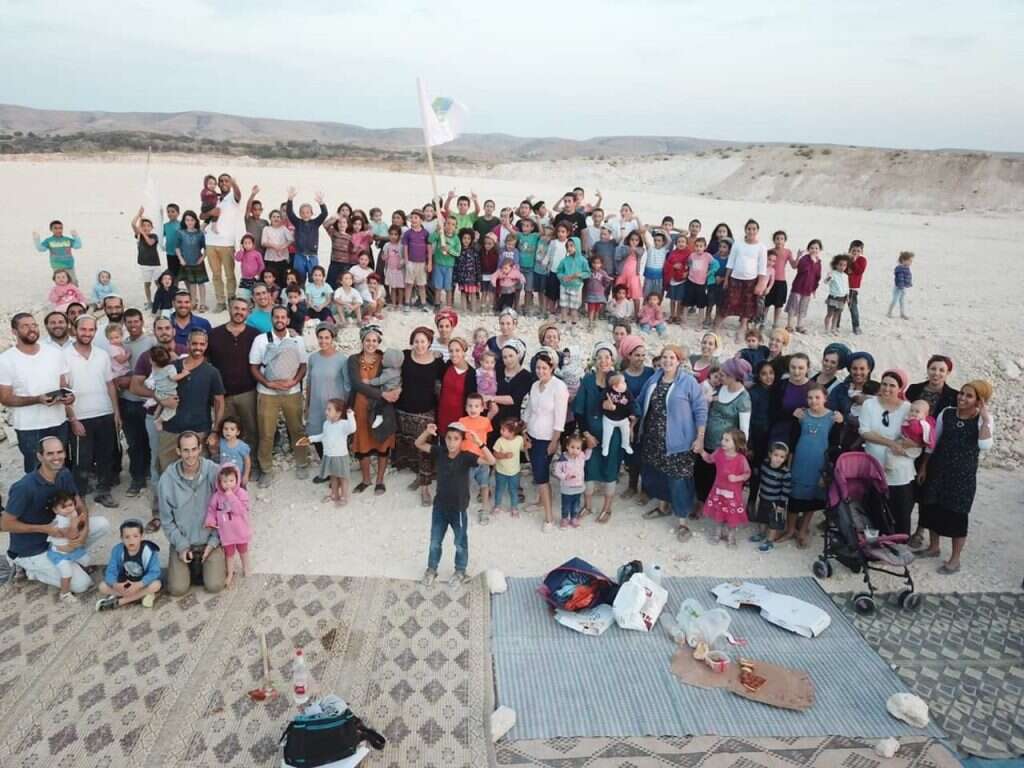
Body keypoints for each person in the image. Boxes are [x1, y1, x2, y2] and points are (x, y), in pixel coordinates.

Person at [2, 436, 111, 593]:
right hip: (32, 548)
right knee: (81, 585)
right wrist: (46, 529)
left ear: (65, 453)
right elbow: (5, 524)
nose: (56, 457)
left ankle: (67, 560)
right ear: (40, 456)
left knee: (102, 524)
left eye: (59, 452)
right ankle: (28, 569)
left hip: (60, 537)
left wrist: (84, 530)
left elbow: (79, 503)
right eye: (50, 453)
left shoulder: (64, 474)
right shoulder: (24, 487)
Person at [916, 380, 995, 574]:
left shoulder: (983, 420)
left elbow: (985, 446)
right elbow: (934, 441)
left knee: (957, 516)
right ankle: (934, 547)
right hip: (939, 470)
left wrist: (985, 419)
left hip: (962, 477)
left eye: (969, 396)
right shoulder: (947, 413)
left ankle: (955, 559)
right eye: (962, 393)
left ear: (979, 400)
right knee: (932, 507)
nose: (962, 398)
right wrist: (924, 466)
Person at [638, 345, 707, 541]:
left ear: (679, 361)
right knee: (658, 474)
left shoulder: (688, 382)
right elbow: (641, 400)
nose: (667, 361)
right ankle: (662, 507)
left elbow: (701, 410)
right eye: (664, 357)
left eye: (671, 357)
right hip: (654, 438)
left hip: (680, 442)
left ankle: (683, 522)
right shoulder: (654, 378)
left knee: (679, 481)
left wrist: (700, 438)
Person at [416, 422, 495, 587]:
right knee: (435, 540)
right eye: (449, 438)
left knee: (459, 542)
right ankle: (431, 569)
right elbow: (419, 444)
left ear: (462, 440)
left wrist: (479, 442)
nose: (451, 442)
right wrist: (427, 432)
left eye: (456, 439)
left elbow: (491, 460)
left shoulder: (467, 457)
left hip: (458, 509)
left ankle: (460, 571)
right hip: (439, 507)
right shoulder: (440, 452)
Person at [0, 313, 74, 472]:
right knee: (36, 471)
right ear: (14, 331)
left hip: (58, 421)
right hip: (29, 426)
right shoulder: (6, 360)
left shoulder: (54, 353)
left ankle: (63, 497)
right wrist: (37, 400)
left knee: (61, 468)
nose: (31, 329)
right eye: (25, 326)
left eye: (34, 325)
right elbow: (5, 398)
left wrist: (68, 396)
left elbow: (63, 384)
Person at [158, 431, 225, 596]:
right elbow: (166, 521)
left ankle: (205, 566)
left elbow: (224, 512)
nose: (190, 455)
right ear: (178, 451)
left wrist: (214, 541)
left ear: (200, 449)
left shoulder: (215, 472)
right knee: (177, 589)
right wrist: (181, 545)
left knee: (215, 586)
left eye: (194, 449)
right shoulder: (166, 480)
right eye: (186, 450)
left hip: (209, 541)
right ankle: (190, 568)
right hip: (183, 542)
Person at [249, 306, 310, 486]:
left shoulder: (297, 340)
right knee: (266, 432)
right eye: (277, 317)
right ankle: (266, 469)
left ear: (288, 320)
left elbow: (303, 365)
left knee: (297, 428)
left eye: (283, 317)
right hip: (267, 393)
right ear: (272, 319)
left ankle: (302, 462)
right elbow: (253, 366)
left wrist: (294, 382)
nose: (280, 320)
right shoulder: (261, 340)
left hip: (292, 392)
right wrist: (268, 383)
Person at [64, 315, 120, 508]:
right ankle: (79, 497)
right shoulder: (64, 355)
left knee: (106, 456)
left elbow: (110, 384)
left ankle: (103, 492)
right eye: (83, 329)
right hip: (81, 416)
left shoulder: (102, 354)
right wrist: (73, 419)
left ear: (95, 332)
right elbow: (63, 389)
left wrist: (116, 412)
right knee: (82, 460)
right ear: (75, 330)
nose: (87, 333)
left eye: (91, 330)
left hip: (104, 412)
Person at [153, 329, 225, 475]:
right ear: (187, 344)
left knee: (197, 472)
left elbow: (219, 402)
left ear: (206, 345)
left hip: (199, 429)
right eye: (194, 344)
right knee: (166, 469)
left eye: (202, 344)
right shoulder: (172, 367)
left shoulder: (212, 372)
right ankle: (166, 496)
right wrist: (162, 400)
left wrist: (215, 431)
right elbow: (156, 388)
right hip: (170, 428)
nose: (198, 347)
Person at [129, 316, 178, 529]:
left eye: (168, 328)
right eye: (160, 328)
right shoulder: (146, 357)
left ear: (173, 330)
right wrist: (159, 397)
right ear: (155, 331)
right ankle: (159, 512)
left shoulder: (184, 351)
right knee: (157, 462)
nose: (164, 331)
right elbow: (135, 386)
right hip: (155, 416)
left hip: (181, 416)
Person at [859, 370, 916, 535]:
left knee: (900, 508)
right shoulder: (869, 405)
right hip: (874, 463)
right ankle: (877, 542)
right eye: (884, 384)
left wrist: (903, 444)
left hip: (899, 467)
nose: (887, 388)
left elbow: (913, 435)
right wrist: (890, 442)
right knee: (875, 505)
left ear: (900, 388)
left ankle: (900, 541)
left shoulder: (907, 408)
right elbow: (865, 432)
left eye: (892, 385)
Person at [784, 384, 842, 547]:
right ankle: (790, 530)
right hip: (800, 463)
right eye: (810, 397)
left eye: (817, 397)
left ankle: (803, 530)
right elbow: (793, 441)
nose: (813, 401)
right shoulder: (801, 416)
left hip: (819, 465)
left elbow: (835, 446)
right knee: (794, 496)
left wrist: (827, 472)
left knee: (812, 499)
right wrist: (789, 464)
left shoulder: (833, 418)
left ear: (825, 398)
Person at [572, 342, 624, 523]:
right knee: (589, 468)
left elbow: (629, 408)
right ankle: (587, 505)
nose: (603, 361)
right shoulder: (587, 380)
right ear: (595, 360)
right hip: (591, 435)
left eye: (607, 357)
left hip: (613, 436)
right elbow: (579, 410)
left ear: (612, 360)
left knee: (610, 468)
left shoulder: (619, 381)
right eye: (599, 357)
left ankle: (607, 508)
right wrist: (586, 434)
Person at [393, 327, 445, 506]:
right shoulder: (405, 356)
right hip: (404, 410)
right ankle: (417, 475)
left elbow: (442, 386)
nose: (420, 345)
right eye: (416, 341)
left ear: (429, 342)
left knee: (425, 449)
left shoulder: (438, 362)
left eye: (423, 341)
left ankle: (425, 487)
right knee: (409, 445)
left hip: (426, 413)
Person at [206, 298, 261, 463]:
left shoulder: (255, 335)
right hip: (223, 395)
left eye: (243, 309)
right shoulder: (214, 334)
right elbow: (206, 361)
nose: (239, 312)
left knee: (251, 429)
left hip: (248, 392)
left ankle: (252, 463)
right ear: (229, 310)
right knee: (224, 431)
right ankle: (227, 466)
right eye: (236, 308)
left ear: (248, 312)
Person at [348, 325, 399, 494]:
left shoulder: (385, 358)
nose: (371, 344)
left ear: (379, 342)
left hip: (382, 407)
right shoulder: (353, 359)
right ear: (362, 341)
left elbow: (397, 376)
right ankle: (366, 479)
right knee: (363, 440)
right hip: (361, 405)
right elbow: (357, 384)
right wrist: (382, 394)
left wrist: (397, 391)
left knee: (382, 441)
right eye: (367, 340)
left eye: (374, 340)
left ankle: (380, 480)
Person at [523, 351, 568, 531]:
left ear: (552, 368)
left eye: (544, 368)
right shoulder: (534, 385)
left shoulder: (559, 387)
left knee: (542, 477)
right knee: (537, 471)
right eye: (538, 368)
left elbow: (560, 417)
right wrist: (524, 431)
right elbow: (529, 410)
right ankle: (541, 501)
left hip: (547, 438)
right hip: (533, 434)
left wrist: (554, 441)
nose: (541, 371)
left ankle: (549, 518)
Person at [304, 323, 350, 483]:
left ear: (333, 338)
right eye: (320, 338)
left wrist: (344, 409)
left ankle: (337, 475)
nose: (323, 341)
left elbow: (347, 386)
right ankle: (327, 470)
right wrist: (307, 405)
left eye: (327, 338)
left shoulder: (342, 360)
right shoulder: (313, 358)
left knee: (335, 440)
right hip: (317, 406)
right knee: (316, 435)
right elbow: (309, 382)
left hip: (335, 409)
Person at [117, 309, 155, 497]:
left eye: (136, 321)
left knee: (150, 439)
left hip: (148, 400)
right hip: (128, 401)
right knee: (134, 442)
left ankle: (150, 472)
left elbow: (155, 369)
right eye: (129, 322)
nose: (133, 325)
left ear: (142, 322)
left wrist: (132, 378)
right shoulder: (121, 346)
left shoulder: (151, 342)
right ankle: (137, 478)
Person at [297, 400, 357, 506]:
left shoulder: (343, 424)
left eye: (329, 409)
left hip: (340, 456)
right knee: (333, 476)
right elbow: (323, 436)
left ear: (338, 413)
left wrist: (350, 415)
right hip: (329, 455)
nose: (326, 412)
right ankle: (334, 494)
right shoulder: (326, 424)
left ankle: (344, 496)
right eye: (326, 409)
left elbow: (352, 428)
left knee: (343, 477)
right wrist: (310, 439)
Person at [717, 219, 769, 340]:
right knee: (728, 302)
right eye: (749, 228)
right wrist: (726, 279)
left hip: (751, 280)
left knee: (748, 304)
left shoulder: (761, 247)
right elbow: (731, 262)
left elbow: (762, 267)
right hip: (735, 278)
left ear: (757, 231)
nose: (751, 231)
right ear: (745, 230)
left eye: (754, 229)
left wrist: (760, 284)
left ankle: (743, 326)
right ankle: (717, 325)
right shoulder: (738, 244)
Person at [95, 519, 162, 611]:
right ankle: (140, 596)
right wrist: (115, 585)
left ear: (141, 537)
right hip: (124, 583)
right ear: (121, 538)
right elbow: (110, 571)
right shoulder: (117, 550)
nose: (131, 540)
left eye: (135, 536)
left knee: (156, 584)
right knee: (102, 586)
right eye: (127, 537)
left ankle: (121, 601)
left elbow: (155, 572)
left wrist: (139, 584)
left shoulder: (149, 551)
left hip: (142, 584)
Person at [699, 429, 751, 547]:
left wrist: (737, 478)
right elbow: (708, 458)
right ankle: (718, 533)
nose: (722, 442)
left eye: (727, 440)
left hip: (733, 495)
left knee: (732, 515)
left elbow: (747, 473)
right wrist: (701, 451)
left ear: (736, 444)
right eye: (723, 439)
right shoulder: (718, 453)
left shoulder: (741, 459)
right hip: (718, 491)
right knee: (719, 512)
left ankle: (731, 536)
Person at [203, 463, 252, 588]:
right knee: (229, 554)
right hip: (226, 533)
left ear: (237, 480)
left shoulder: (241, 493)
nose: (228, 484)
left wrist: (231, 497)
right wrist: (210, 520)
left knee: (243, 551)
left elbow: (240, 510)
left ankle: (246, 567)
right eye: (225, 481)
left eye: (231, 480)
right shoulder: (217, 496)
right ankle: (230, 573)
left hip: (240, 531)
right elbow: (211, 510)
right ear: (219, 482)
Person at [201, 173, 242, 311]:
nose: (224, 183)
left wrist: (235, 183)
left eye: (226, 181)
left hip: (227, 243)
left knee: (230, 274)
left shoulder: (233, 198)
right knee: (216, 275)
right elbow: (202, 215)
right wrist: (211, 212)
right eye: (221, 181)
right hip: (211, 242)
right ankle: (220, 301)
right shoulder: (213, 197)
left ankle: (231, 298)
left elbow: (238, 194)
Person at [45, 490, 91, 603]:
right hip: (60, 554)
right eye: (64, 507)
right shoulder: (59, 522)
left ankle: (81, 568)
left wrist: (80, 520)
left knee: (87, 560)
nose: (69, 508)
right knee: (67, 573)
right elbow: (72, 535)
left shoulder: (72, 513)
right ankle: (64, 593)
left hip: (72, 550)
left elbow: (82, 523)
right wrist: (75, 523)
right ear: (56, 510)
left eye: (71, 505)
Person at [750, 441, 792, 551]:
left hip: (776, 503)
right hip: (763, 497)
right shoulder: (764, 465)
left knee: (774, 523)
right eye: (776, 455)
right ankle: (762, 534)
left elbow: (785, 490)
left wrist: (781, 505)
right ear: (770, 454)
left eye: (782, 457)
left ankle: (770, 541)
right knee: (762, 518)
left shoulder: (785, 473)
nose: (778, 459)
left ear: (785, 458)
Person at [436, 336, 477, 441]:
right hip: (442, 413)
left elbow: (472, 398)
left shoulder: (471, 374)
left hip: (459, 417)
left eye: (457, 350)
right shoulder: (447, 365)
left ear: (464, 352)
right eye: (451, 351)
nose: (454, 354)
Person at [552, 433, 591, 529]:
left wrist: (590, 448)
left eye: (578, 448)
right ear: (567, 447)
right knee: (566, 504)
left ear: (581, 449)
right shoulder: (563, 458)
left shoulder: (581, 456)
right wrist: (565, 476)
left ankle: (574, 518)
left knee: (576, 504)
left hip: (578, 486)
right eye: (572, 447)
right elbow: (556, 471)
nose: (575, 450)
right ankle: (564, 519)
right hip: (567, 487)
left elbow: (587, 456)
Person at [785, 240, 823, 333]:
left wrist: (814, 288)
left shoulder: (818, 262)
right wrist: (801, 257)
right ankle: (790, 325)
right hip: (798, 286)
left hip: (808, 289)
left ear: (820, 250)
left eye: (816, 248)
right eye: (812, 248)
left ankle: (799, 325)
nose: (814, 250)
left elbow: (818, 276)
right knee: (793, 306)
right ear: (808, 249)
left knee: (803, 307)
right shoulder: (804, 259)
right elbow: (800, 268)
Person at [176, 210, 210, 311]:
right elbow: (177, 247)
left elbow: (206, 248)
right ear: (184, 221)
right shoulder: (180, 233)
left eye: (192, 220)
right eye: (187, 220)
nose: (189, 222)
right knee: (192, 284)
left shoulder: (200, 233)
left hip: (198, 262)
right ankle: (194, 302)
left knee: (201, 283)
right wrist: (181, 259)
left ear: (195, 221)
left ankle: (203, 304)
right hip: (186, 262)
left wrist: (202, 257)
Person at [130, 207, 163, 307]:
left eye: (148, 226)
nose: (146, 227)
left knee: (158, 283)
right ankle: (149, 301)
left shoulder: (154, 236)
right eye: (144, 226)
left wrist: (142, 232)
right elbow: (132, 224)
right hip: (144, 265)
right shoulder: (139, 235)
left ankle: (160, 299)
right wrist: (139, 215)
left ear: (152, 227)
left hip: (155, 264)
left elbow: (150, 243)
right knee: (147, 284)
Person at [492, 418, 525, 518]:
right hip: (501, 471)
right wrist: (504, 456)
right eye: (501, 429)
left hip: (515, 472)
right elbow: (495, 454)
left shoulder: (519, 439)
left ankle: (514, 507)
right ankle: (497, 505)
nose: (500, 431)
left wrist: (527, 445)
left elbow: (523, 448)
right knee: (499, 489)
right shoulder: (499, 441)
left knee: (513, 490)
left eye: (503, 430)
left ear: (512, 432)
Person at [214, 417, 252, 486]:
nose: (228, 431)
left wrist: (246, 475)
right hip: (224, 476)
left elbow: (247, 462)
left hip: (237, 477)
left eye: (232, 429)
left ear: (238, 432)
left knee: (239, 493)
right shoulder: (221, 442)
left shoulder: (242, 446)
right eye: (225, 429)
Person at [261, 209, 294, 287]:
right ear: (270, 218)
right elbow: (263, 242)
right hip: (270, 258)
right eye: (274, 217)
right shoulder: (266, 229)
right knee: (271, 279)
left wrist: (282, 247)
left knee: (283, 278)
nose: (276, 218)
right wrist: (275, 247)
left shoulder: (283, 229)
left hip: (282, 258)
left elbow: (291, 240)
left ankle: (281, 297)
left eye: (278, 217)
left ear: (281, 219)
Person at [823, 254, 850, 334]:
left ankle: (833, 328)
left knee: (837, 315)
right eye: (840, 265)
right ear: (836, 265)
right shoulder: (832, 273)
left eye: (844, 265)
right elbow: (825, 282)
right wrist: (829, 278)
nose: (842, 267)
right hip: (833, 297)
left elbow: (847, 286)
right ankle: (826, 329)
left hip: (842, 298)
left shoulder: (845, 276)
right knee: (830, 314)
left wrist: (847, 295)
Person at [846, 240, 867, 334]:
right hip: (842, 287)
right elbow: (842, 269)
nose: (855, 253)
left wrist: (854, 262)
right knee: (838, 307)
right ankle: (835, 325)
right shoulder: (846, 259)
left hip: (853, 288)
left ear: (862, 252)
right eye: (853, 250)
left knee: (853, 307)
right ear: (849, 250)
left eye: (858, 251)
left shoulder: (862, 260)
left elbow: (859, 271)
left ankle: (856, 326)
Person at [888, 250, 914, 319]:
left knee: (902, 301)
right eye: (909, 261)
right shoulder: (900, 269)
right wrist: (901, 286)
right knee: (895, 300)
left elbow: (908, 276)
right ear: (903, 260)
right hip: (898, 288)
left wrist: (908, 283)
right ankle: (889, 312)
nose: (911, 262)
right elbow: (900, 278)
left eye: (911, 261)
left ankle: (902, 313)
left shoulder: (906, 268)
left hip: (903, 287)